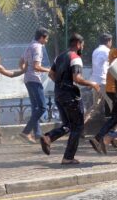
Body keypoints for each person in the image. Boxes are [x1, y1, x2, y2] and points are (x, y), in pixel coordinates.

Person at [40, 33, 100, 165]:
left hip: (58, 95)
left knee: (68, 125)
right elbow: (77, 79)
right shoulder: (75, 58)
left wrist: (61, 84)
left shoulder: (59, 57)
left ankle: (49, 137)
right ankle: (68, 157)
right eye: (82, 45)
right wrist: (92, 84)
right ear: (78, 44)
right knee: (78, 126)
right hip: (71, 97)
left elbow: (51, 74)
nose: (82, 47)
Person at [89, 34, 117, 152]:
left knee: (116, 115)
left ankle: (100, 138)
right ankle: (113, 139)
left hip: (109, 87)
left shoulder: (111, 52)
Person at [18, 28, 52, 144]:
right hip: (34, 80)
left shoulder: (29, 46)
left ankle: (37, 133)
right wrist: (49, 70)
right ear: (42, 37)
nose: (47, 41)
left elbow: (21, 62)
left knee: (35, 107)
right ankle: (26, 131)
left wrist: (24, 71)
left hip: (28, 79)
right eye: (46, 38)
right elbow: (37, 66)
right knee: (42, 107)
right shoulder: (38, 47)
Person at [88, 33, 113, 123]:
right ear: (109, 41)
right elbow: (113, 65)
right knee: (113, 106)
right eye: (111, 42)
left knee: (95, 107)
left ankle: (81, 126)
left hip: (95, 82)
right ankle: (116, 131)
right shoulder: (107, 51)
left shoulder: (95, 51)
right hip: (104, 82)